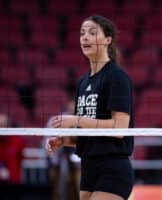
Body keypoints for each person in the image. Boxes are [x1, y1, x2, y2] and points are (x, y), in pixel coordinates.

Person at [45, 15, 134, 200]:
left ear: (108, 40)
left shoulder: (116, 77)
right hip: (87, 168)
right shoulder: (82, 82)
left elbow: (120, 129)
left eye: (92, 33)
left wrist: (77, 120)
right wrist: (66, 141)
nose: (85, 37)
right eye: (82, 33)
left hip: (112, 167)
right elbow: (89, 132)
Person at [0, 113, 24, 183]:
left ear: (8, 125)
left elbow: (20, 158)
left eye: (3, 125)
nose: (0, 128)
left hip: (13, 181)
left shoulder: (17, 140)